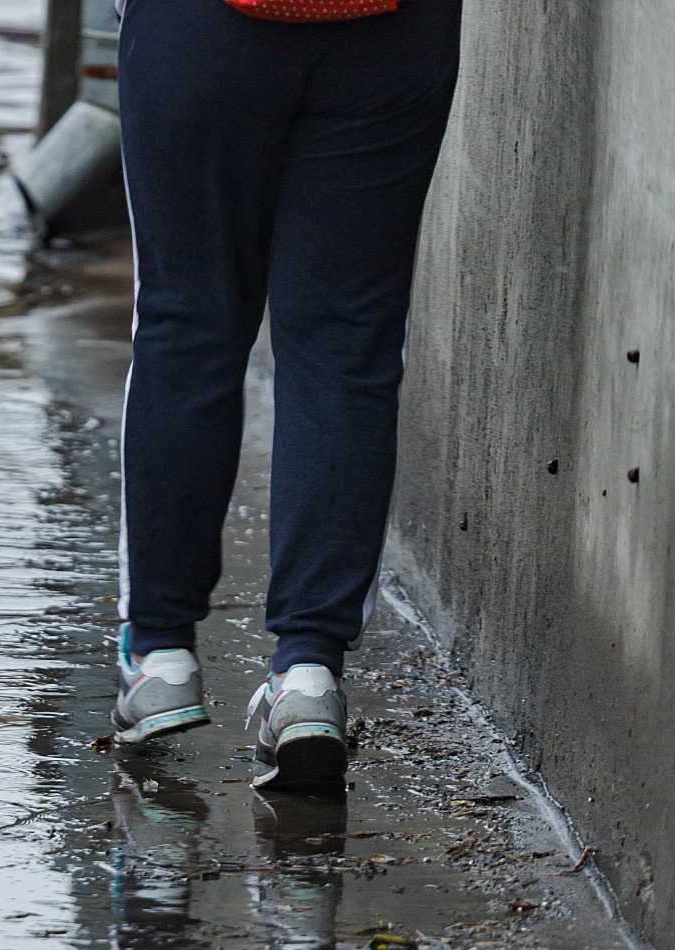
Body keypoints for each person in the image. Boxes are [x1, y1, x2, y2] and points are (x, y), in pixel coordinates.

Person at [107, 0, 463, 792]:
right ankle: (308, 676)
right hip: (390, 29)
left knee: (186, 322)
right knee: (345, 343)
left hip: (198, 30)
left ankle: (160, 655)